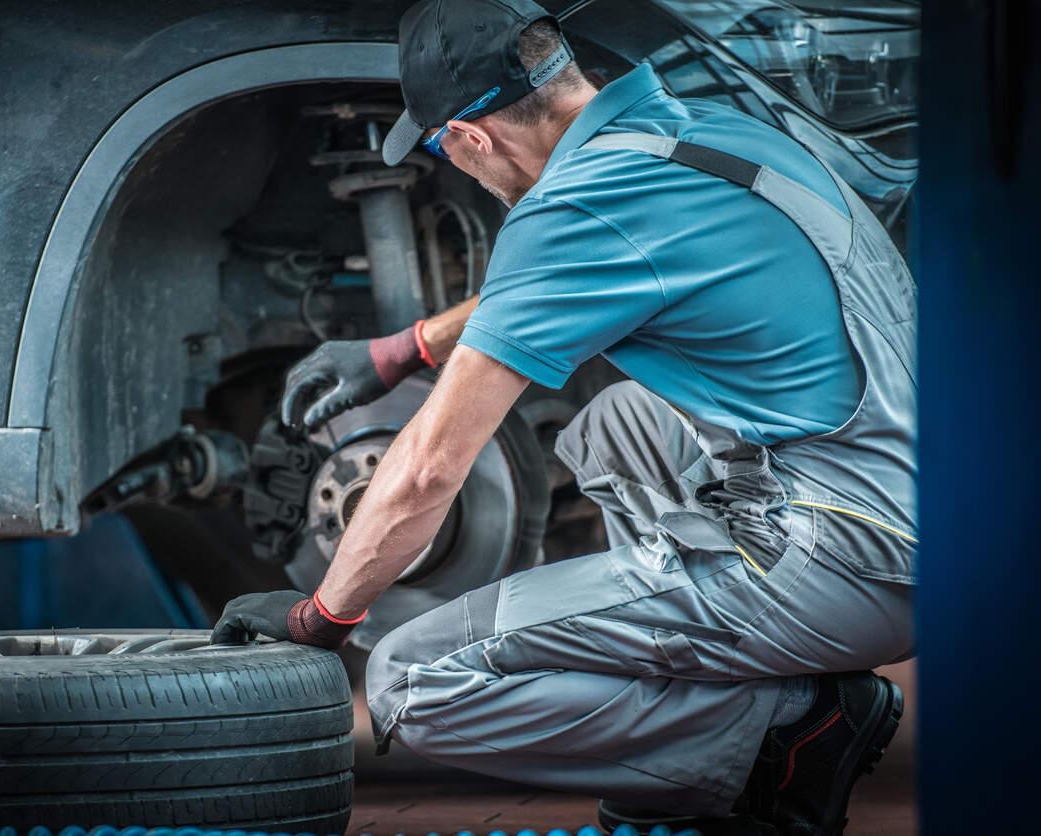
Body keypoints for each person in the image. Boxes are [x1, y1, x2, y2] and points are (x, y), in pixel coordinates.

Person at [212, 2, 916, 833]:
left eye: (444, 150)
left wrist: (321, 616)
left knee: (412, 678)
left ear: (471, 139)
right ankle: (717, 689)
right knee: (616, 425)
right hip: (922, 508)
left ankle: (781, 730)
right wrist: (405, 348)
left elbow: (432, 469)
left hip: (852, 562)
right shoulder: (706, 132)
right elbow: (572, 276)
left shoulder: (574, 210)